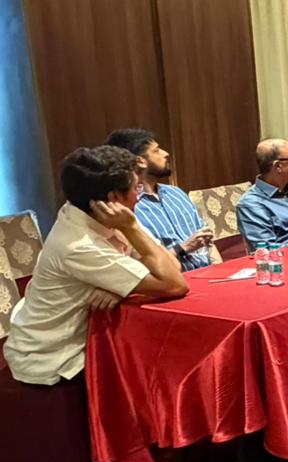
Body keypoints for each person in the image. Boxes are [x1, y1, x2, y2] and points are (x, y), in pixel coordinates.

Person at [3, 146, 188, 385]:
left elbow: (171, 266)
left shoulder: (100, 213)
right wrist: (132, 230)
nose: (139, 195)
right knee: (162, 370)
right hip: (54, 358)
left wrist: (121, 286)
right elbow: (175, 284)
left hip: (90, 339)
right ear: (114, 198)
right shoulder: (78, 244)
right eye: (136, 187)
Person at [105, 128, 216, 272]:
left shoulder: (175, 193)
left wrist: (220, 269)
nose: (165, 153)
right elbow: (142, 265)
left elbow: (208, 241)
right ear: (140, 161)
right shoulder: (127, 207)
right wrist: (183, 248)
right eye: (156, 151)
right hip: (174, 278)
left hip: (209, 272)